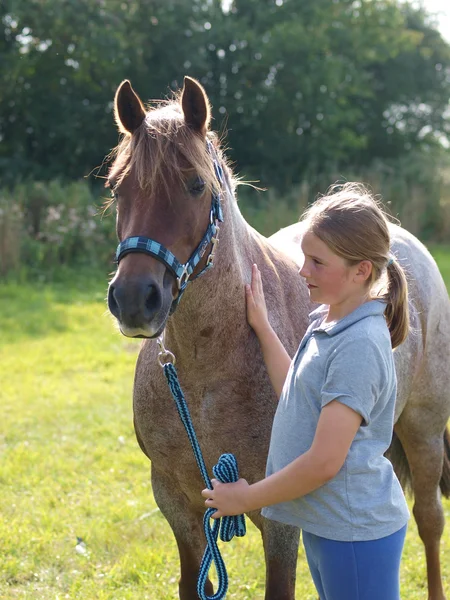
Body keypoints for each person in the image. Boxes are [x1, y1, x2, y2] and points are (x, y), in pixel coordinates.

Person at [201, 182, 410, 600]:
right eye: (305, 258)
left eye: (317, 262)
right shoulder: (329, 321)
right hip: (329, 522)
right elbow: (296, 393)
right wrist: (263, 327)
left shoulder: (359, 346)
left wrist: (246, 498)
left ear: (361, 271)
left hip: (354, 532)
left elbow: (324, 463)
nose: (302, 271)